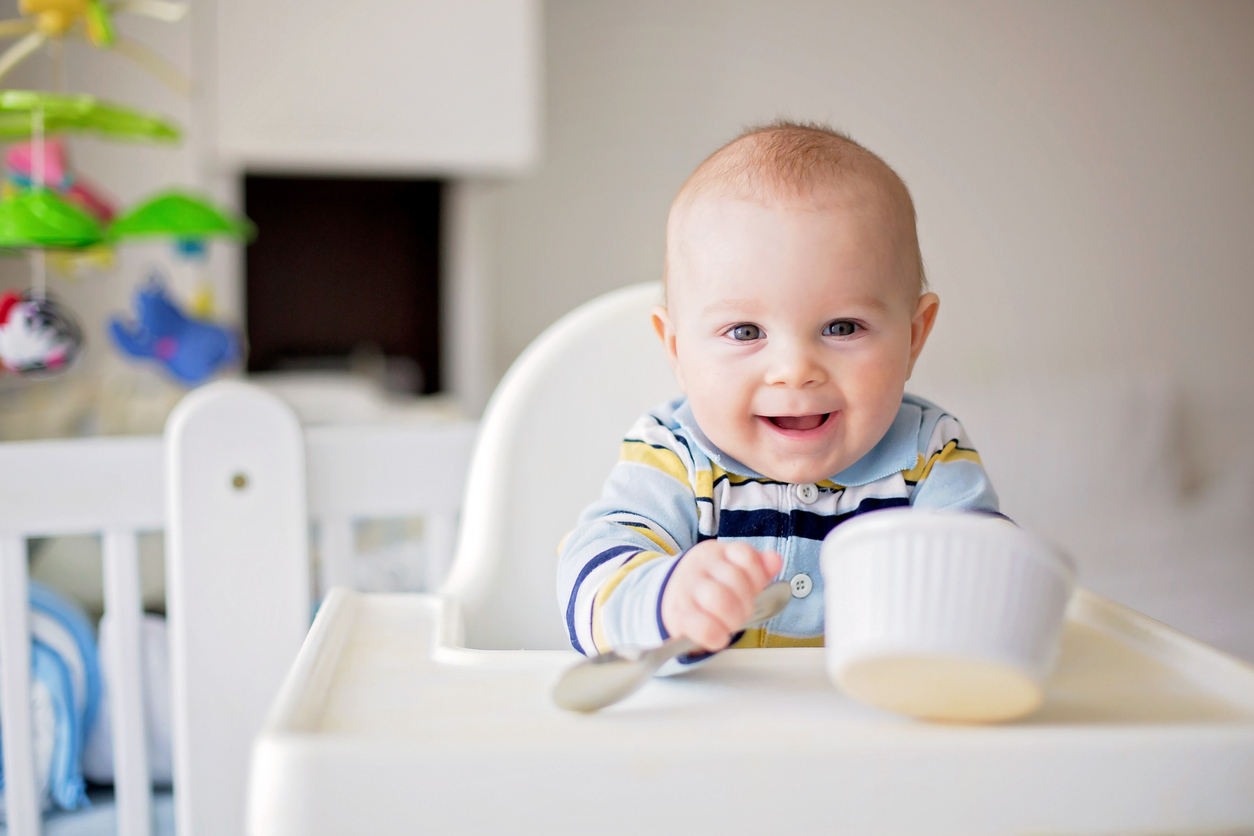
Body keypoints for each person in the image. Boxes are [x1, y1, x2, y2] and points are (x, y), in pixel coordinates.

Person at [556, 121, 999, 667]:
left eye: (842, 328)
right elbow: (589, 582)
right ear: (675, 349)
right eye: (745, 333)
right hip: (713, 738)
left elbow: (991, 581)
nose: (794, 371)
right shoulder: (673, 454)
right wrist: (665, 597)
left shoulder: (928, 456)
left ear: (913, 336)